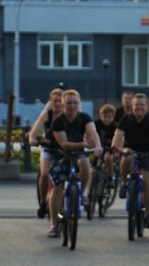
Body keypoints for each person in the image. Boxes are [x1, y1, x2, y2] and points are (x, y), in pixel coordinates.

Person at [45, 89, 101, 238]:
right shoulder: (58, 121)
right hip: (60, 155)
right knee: (57, 188)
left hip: (78, 154)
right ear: (63, 104)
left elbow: (92, 131)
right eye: (69, 103)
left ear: (79, 104)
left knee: (84, 162)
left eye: (75, 102)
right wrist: (82, 143)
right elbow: (63, 144)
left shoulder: (84, 117)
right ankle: (54, 225)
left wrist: (98, 145)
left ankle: (82, 195)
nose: (72, 106)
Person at [112, 93, 149, 228]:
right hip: (131, 149)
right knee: (126, 157)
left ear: (147, 106)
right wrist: (115, 148)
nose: (139, 107)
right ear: (132, 107)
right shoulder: (126, 118)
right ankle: (124, 183)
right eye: (136, 105)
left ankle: (148, 216)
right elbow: (118, 134)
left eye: (142, 105)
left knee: (148, 184)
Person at [28, 87, 66, 219]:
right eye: (54, 101)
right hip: (48, 147)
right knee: (44, 174)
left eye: (60, 100)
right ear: (50, 102)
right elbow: (36, 128)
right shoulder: (47, 114)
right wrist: (32, 138)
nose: (57, 104)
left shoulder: (68, 115)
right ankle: (43, 202)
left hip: (63, 149)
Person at [94, 102, 119, 185]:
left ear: (113, 117)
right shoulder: (96, 124)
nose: (107, 119)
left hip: (109, 148)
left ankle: (110, 177)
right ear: (101, 116)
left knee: (108, 158)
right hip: (98, 146)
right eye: (104, 117)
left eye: (109, 117)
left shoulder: (115, 127)